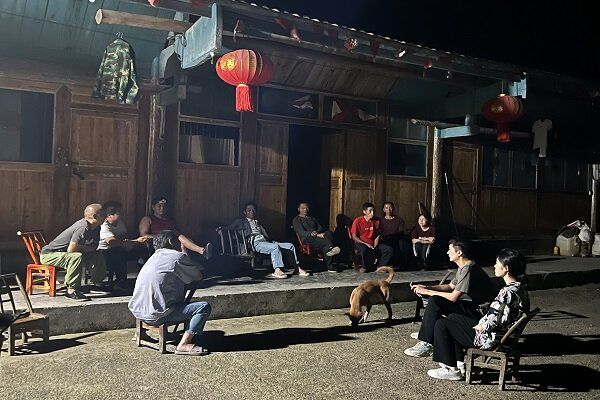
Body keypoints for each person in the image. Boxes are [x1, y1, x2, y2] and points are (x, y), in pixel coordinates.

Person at [426, 249, 530, 380]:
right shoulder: (520, 287)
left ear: (506, 268)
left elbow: (499, 319)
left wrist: (483, 326)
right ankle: (459, 363)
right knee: (453, 317)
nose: (494, 266)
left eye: (497, 263)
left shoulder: (507, 292)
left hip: (492, 337)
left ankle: (451, 369)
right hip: (503, 334)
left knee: (442, 324)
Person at [404, 238, 496, 357]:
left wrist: (427, 291)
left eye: (450, 250)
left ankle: (427, 343)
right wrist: (427, 287)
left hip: (480, 313)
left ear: (459, 252)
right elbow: (450, 286)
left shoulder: (468, 269)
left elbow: (453, 297)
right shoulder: (464, 266)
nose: (447, 252)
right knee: (436, 299)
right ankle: (429, 332)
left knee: (436, 301)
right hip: (472, 307)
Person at [128, 230, 211, 356]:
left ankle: (140, 333)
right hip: (157, 315)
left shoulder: (152, 258)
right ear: (171, 241)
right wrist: (184, 251)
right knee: (203, 307)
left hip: (138, 312)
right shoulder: (176, 257)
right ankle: (183, 345)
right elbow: (197, 276)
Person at [219, 202, 309, 279]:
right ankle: (277, 270)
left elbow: (265, 235)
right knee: (274, 247)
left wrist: (269, 240)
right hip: (254, 242)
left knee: (290, 246)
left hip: (266, 241)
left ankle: (297, 268)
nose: (251, 212)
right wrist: (221, 229)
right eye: (249, 210)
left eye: (253, 210)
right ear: (244, 212)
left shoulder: (257, 222)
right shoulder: (240, 221)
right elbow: (229, 227)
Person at [40, 203, 108, 301]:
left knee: (97, 255)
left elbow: (94, 247)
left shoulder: (97, 227)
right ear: (94, 216)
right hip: (50, 255)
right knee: (76, 256)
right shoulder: (82, 227)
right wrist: (85, 248)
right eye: (103, 215)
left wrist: (84, 248)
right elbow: (71, 250)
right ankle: (71, 290)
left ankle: (96, 284)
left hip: (69, 253)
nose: (106, 217)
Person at [98, 201, 150, 291]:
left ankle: (144, 278)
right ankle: (120, 281)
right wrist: (136, 241)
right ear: (109, 215)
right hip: (105, 253)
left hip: (122, 249)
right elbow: (112, 242)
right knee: (118, 252)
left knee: (142, 250)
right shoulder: (104, 226)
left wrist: (132, 242)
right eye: (118, 213)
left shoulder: (120, 223)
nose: (121, 215)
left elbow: (124, 236)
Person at [139, 196, 212, 259]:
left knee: (188, 239)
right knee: (181, 240)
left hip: (173, 240)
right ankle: (201, 251)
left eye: (164, 206)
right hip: (159, 242)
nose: (162, 208)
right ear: (153, 207)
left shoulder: (170, 220)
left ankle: (190, 261)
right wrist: (160, 237)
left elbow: (177, 232)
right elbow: (143, 234)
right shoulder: (148, 219)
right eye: (159, 206)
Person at [292, 202, 341, 272]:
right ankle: (330, 265)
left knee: (329, 233)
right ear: (298, 209)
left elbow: (320, 227)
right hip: (307, 239)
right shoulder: (297, 219)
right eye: (302, 208)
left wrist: (317, 232)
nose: (305, 210)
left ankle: (329, 249)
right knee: (327, 242)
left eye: (306, 208)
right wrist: (315, 234)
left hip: (317, 236)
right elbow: (301, 232)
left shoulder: (312, 218)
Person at [350, 202, 394, 272]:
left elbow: (378, 234)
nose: (372, 213)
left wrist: (375, 245)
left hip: (372, 243)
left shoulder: (377, 220)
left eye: (373, 211)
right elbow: (354, 236)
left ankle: (380, 267)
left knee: (388, 249)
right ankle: (363, 267)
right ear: (364, 212)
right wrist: (365, 243)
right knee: (363, 249)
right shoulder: (358, 220)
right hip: (361, 243)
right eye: (370, 211)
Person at [380, 202, 405, 266]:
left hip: (396, 239)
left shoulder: (399, 220)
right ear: (384, 210)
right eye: (386, 208)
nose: (388, 210)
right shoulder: (380, 220)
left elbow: (401, 232)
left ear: (393, 208)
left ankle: (399, 264)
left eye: (390, 208)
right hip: (384, 239)